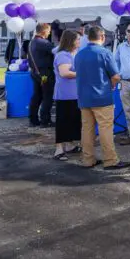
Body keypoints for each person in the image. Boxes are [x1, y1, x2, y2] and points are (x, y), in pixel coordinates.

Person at [74, 25, 130, 170]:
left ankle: (88, 159)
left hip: (84, 97)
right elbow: (116, 76)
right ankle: (110, 160)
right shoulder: (104, 53)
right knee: (105, 129)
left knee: (86, 130)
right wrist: (111, 85)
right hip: (101, 97)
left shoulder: (79, 54)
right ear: (103, 37)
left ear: (88, 37)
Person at [52, 30, 81, 162]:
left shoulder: (71, 54)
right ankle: (59, 149)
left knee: (73, 121)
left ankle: (69, 145)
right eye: (78, 39)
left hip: (74, 94)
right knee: (63, 122)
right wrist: (83, 74)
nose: (79, 42)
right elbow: (65, 73)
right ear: (71, 41)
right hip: (65, 94)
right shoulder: (63, 55)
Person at [28, 22, 55, 128]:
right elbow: (56, 51)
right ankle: (45, 120)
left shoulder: (32, 42)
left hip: (35, 72)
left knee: (37, 96)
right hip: (45, 74)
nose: (49, 33)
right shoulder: (44, 43)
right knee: (47, 96)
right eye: (48, 31)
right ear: (44, 31)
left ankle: (33, 120)